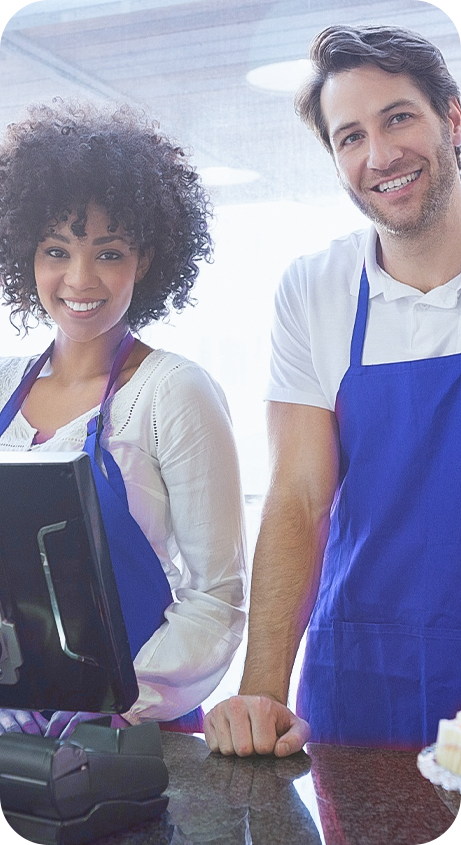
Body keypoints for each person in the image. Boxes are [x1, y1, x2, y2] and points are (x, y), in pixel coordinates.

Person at [204, 24, 461, 756]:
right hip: (360, 672)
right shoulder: (315, 289)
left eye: (398, 118)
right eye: (350, 137)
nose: (379, 156)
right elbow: (297, 498)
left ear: (452, 118)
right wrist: (260, 691)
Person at [0, 100, 246, 739]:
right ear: (26, 255)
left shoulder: (173, 391)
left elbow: (216, 597)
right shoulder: (2, 385)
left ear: (147, 258)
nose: (79, 279)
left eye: (108, 253)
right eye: (56, 250)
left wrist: (119, 700)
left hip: (134, 737)